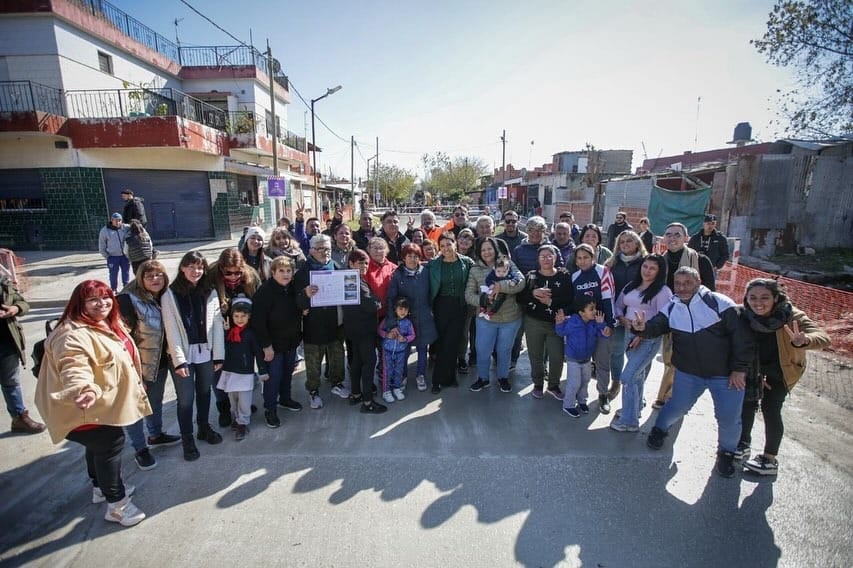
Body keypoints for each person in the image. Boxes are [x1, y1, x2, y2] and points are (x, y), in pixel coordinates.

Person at [35, 280, 151, 527]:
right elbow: (73, 365)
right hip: (85, 407)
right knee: (110, 445)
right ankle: (117, 506)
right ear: (80, 303)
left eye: (106, 297)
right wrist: (83, 389)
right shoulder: (72, 334)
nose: (102, 303)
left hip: (99, 405)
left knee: (98, 448)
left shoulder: (104, 323)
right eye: (93, 299)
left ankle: (100, 489)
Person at [636, 267, 753, 478]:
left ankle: (726, 453)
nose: (682, 287)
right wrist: (641, 328)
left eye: (687, 283)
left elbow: (741, 339)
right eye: (678, 283)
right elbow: (655, 326)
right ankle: (659, 430)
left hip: (725, 375)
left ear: (698, 281)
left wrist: (739, 369)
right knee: (676, 407)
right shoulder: (672, 306)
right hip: (689, 373)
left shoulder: (719, 303)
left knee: (728, 418)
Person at [737, 278, 830, 476]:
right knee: (746, 402)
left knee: (770, 407)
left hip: (782, 370)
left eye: (765, 297)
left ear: (776, 298)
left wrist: (803, 340)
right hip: (755, 369)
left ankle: (769, 459)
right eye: (752, 297)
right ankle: (742, 444)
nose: (758, 302)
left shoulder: (791, 316)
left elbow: (823, 337)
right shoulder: (744, 315)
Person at [117, 260, 181, 471]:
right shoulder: (128, 300)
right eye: (150, 276)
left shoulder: (164, 297)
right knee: (135, 408)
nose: (155, 280)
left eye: (159, 276)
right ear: (140, 278)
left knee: (154, 401)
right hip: (137, 367)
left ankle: (155, 435)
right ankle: (140, 449)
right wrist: (134, 373)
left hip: (159, 362)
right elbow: (122, 340)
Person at [161, 251, 225, 461]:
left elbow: (216, 325)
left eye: (199, 267)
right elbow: (171, 330)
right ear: (182, 268)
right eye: (191, 267)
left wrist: (218, 356)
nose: (195, 271)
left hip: (206, 352)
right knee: (186, 399)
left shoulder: (210, 291)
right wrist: (179, 361)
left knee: (205, 392)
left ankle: (204, 427)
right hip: (184, 355)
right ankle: (187, 438)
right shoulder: (170, 294)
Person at [653, 222, 716, 409]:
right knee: (669, 358)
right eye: (668, 234)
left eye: (677, 235)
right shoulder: (659, 261)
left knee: (684, 360)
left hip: (693, 318)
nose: (672, 238)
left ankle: (669, 397)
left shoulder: (700, 260)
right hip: (668, 316)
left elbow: (710, 291)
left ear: (686, 238)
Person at [609, 254, 671, 432]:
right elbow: (619, 305)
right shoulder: (632, 286)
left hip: (647, 339)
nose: (647, 271)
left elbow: (663, 318)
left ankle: (629, 421)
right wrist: (622, 319)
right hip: (629, 335)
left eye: (652, 268)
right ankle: (633, 410)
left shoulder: (663, 291)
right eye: (645, 266)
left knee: (628, 377)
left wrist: (642, 333)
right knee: (637, 376)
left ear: (659, 271)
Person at [295, 234, 350, 409]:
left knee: (337, 357)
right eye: (320, 249)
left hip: (334, 323)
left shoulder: (336, 266)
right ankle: (313, 391)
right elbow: (295, 301)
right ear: (311, 250)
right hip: (313, 325)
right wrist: (305, 295)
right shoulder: (303, 272)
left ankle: (337, 383)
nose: (325, 252)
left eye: (327, 248)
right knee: (313, 362)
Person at [464, 237, 525, 393]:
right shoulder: (475, 270)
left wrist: (501, 286)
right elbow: (469, 295)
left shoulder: (508, 263)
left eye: (490, 248)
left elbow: (521, 282)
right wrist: (483, 299)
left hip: (510, 319)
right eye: (483, 249)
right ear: (479, 252)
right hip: (486, 319)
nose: (487, 252)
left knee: (504, 350)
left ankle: (502, 377)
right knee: (483, 350)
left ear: (495, 249)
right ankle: (483, 378)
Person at [209, 248, 262, 427]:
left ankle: (243, 404)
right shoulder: (211, 277)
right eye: (228, 273)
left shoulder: (251, 277)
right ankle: (224, 407)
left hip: (245, 332)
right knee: (220, 372)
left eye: (237, 272)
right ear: (221, 269)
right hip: (220, 333)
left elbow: (260, 301)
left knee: (244, 369)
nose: (233, 277)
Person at [252, 256, 303, 429]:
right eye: (281, 271)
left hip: (290, 342)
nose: (286, 274)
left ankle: (285, 399)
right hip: (272, 346)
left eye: (289, 270)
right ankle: (270, 409)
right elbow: (258, 322)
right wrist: (266, 346)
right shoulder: (264, 292)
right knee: (272, 379)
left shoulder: (292, 288)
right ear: (273, 272)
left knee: (287, 373)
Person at [518, 244, 573, 400]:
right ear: (538, 259)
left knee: (557, 356)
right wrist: (533, 292)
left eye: (550, 256)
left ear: (555, 258)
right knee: (536, 355)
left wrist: (551, 302)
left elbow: (569, 299)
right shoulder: (531, 276)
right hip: (534, 322)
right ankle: (538, 384)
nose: (546, 259)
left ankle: (553, 385)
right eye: (543, 256)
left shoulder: (564, 275)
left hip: (556, 323)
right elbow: (520, 298)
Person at [603, 230, 649, 401]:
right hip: (617, 315)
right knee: (616, 351)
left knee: (640, 354)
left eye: (629, 241)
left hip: (639, 318)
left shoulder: (646, 262)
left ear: (637, 243)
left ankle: (638, 389)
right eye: (621, 242)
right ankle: (615, 384)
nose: (625, 244)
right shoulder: (612, 263)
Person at [570, 244, 615, 413]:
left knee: (602, 362)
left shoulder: (603, 272)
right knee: (581, 361)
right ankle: (579, 394)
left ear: (593, 257)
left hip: (601, 325)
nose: (582, 261)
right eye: (579, 258)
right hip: (583, 327)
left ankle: (603, 395)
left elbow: (608, 299)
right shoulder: (574, 276)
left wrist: (609, 324)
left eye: (586, 257)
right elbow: (574, 304)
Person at [386, 243, 437, 392]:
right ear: (403, 258)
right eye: (409, 256)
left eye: (416, 256)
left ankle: (420, 375)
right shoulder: (397, 275)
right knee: (404, 350)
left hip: (424, 317)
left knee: (422, 349)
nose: (413, 260)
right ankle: (402, 375)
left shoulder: (425, 272)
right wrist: (392, 322)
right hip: (405, 320)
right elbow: (391, 299)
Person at [342, 249, 387, 413]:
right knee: (369, 363)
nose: (364, 266)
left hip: (354, 328)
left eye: (366, 263)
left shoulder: (352, 279)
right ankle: (368, 402)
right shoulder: (354, 281)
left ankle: (356, 394)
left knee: (357, 362)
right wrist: (377, 302)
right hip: (363, 329)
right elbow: (370, 305)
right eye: (360, 262)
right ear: (351, 263)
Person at [216, 298, 267, 441]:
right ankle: (235, 418)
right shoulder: (230, 333)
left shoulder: (250, 334)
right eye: (236, 316)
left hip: (245, 373)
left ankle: (243, 423)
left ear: (249, 316)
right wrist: (225, 333)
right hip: (230, 371)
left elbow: (258, 353)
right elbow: (224, 348)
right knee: (233, 399)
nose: (239, 319)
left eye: (243, 316)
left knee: (244, 400)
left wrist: (262, 370)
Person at [429, 232, 474, 393]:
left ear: (455, 244)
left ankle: (450, 377)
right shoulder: (434, 264)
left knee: (454, 342)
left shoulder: (467, 262)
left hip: (460, 306)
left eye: (449, 244)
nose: (446, 248)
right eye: (442, 246)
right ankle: (437, 380)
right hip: (441, 305)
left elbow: (478, 277)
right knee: (441, 343)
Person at [1, 275, 45, 434]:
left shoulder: (1, 281)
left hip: (7, 340)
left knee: (11, 381)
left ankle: (19, 418)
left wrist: (15, 309)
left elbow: (22, 303)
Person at [557, 298, 608, 418]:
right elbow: (561, 332)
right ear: (581, 312)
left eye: (595, 308)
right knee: (574, 383)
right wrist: (559, 323)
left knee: (585, 381)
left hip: (586, 359)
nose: (595, 311)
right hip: (573, 359)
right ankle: (568, 405)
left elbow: (602, 335)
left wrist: (601, 324)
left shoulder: (593, 323)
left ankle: (582, 401)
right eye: (591, 309)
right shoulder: (573, 323)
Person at [378, 297, 416, 403]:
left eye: (405, 309)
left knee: (399, 370)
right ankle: (386, 391)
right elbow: (379, 330)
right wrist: (387, 335)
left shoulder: (408, 323)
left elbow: (412, 335)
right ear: (395, 309)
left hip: (401, 351)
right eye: (400, 309)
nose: (403, 312)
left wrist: (405, 339)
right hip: (387, 350)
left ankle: (397, 388)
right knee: (387, 371)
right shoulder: (388, 320)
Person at [99, 213, 130, 293]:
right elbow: (102, 245)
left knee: (126, 273)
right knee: (113, 274)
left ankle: (126, 288)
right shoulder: (105, 230)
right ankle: (114, 289)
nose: (118, 222)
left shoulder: (125, 228)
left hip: (124, 256)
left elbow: (136, 227)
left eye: (119, 220)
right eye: (116, 220)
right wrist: (107, 256)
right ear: (111, 220)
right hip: (113, 257)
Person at [478, 255, 515, 320]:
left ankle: (491, 313)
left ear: (508, 269)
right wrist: (491, 284)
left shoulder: (509, 275)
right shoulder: (492, 274)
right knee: (483, 296)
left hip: (502, 293)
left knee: (499, 301)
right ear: (494, 269)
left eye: (504, 271)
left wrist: (513, 282)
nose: (501, 273)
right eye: (498, 271)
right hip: (491, 289)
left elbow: (515, 278)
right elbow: (488, 279)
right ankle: (483, 308)